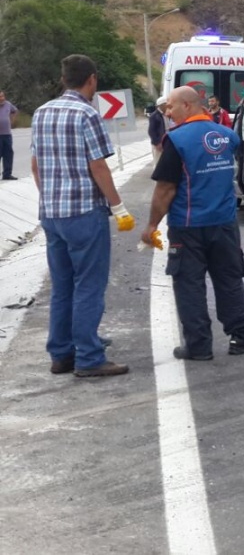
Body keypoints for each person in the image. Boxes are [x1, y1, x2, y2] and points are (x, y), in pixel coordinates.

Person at [31, 55, 132, 377]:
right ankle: (89, 357)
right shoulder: (87, 114)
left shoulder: (41, 113)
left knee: (62, 287)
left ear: (64, 80)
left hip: (51, 214)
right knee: (89, 285)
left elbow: (35, 165)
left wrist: (49, 196)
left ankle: (61, 353)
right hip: (84, 213)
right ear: (92, 79)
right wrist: (118, 207)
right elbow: (98, 166)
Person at [145, 86, 244, 361]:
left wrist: (151, 225)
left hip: (189, 225)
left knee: (189, 284)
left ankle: (198, 345)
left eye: (171, 106)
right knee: (230, 280)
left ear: (188, 105)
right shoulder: (228, 136)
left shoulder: (177, 140)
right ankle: (242, 336)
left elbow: (165, 189)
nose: (168, 112)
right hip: (224, 222)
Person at [0, 89, 20, 180]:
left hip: (7, 134)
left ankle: (7, 174)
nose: (1, 98)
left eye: (2, 96)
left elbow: (15, 111)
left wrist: (12, 120)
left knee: (8, 154)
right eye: (0, 97)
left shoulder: (8, 104)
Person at [147, 96, 169, 162]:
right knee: (158, 162)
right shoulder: (154, 116)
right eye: (166, 104)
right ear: (162, 105)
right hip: (159, 143)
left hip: (167, 141)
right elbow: (151, 131)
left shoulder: (167, 114)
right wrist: (157, 143)